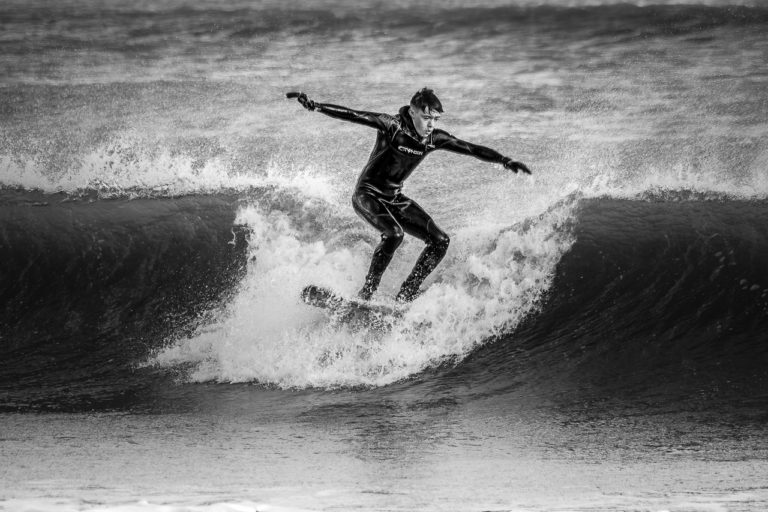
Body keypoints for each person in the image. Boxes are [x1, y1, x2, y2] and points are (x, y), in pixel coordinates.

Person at [290, 88, 531, 303]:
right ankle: (367, 292)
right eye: (427, 118)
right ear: (413, 112)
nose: (431, 125)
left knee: (440, 240)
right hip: (367, 195)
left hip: (394, 198)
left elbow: (469, 148)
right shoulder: (392, 126)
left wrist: (504, 160)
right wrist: (317, 106)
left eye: (435, 120)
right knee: (394, 234)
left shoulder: (433, 139)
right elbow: (355, 115)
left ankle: (407, 292)